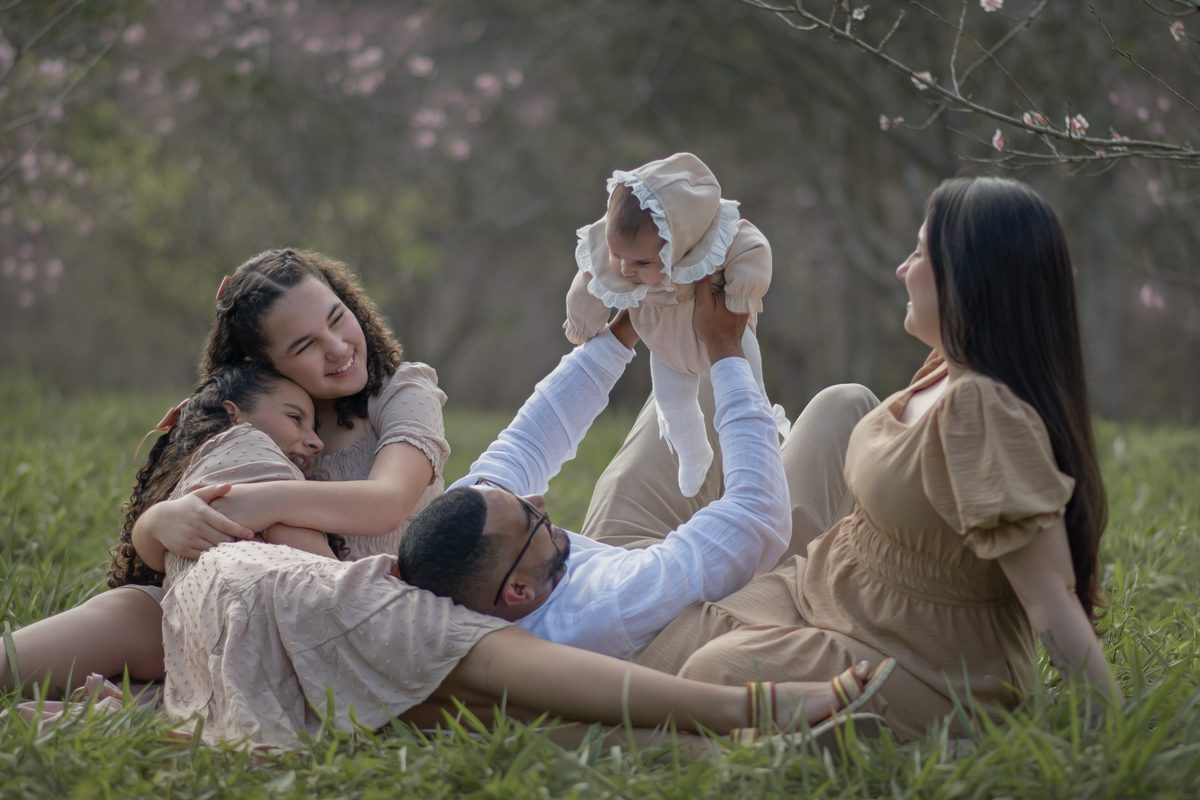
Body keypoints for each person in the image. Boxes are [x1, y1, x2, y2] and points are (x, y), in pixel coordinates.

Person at [625, 177, 1122, 741]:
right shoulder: (945, 367)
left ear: (970, 275)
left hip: (915, 664)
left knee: (707, 681)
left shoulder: (981, 411)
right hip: (818, 593)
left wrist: (1108, 747)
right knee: (643, 645)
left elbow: (1051, 595)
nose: (902, 269)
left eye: (918, 253)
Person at [2, 250, 449, 696]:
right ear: (263, 366)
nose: (336, 347)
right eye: (304, 345)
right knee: (130, 610)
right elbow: (175, 550)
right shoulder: (263, 416)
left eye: (337, 318)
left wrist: (263, 500)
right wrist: (159, 523)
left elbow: (388, 504)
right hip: (243, 605)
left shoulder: (403, 392)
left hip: (357, 620)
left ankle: (131, 702)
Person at [397, 279, 789, 660]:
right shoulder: (601, 611)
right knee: (840, 406)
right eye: (531, 520)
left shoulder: (467, 537)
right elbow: (756, 515)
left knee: (701, 371)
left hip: (617, 554)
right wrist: (726, 350)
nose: (537, 501)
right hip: (666, 598)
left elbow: (529, 441)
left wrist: (631, 321)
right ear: (518, 591)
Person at [565, 152, 788, 498]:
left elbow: (753, 248)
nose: (625, 269)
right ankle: (693, 454)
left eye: (641, 261)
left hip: (728, 335)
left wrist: (742, 293)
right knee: (672, 405)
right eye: (616, 253)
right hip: (665, 344)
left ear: (677, 244)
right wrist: (584, 326)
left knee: (751, 394)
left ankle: (763, 453)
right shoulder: (620, 259)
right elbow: (588, 287)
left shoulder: (711, 242)